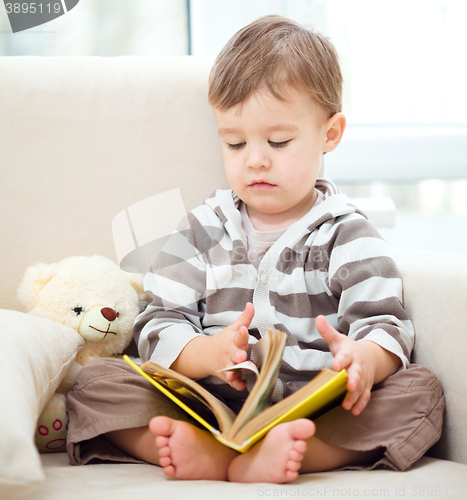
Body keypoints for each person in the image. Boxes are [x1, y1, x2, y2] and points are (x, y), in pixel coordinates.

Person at [66, 15, 444, 484]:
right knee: (96, 382)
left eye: (279, 141)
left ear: (330, 134)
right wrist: (208, 353)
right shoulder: (202, 227)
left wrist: (363, 359)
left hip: (313, 407)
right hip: (208, 403)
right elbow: (158, 320)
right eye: (235, 142)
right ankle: (210, 450)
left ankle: (285, 454)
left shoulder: (346, 233)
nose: (256, 159)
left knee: (421, 391)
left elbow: (386, 324)